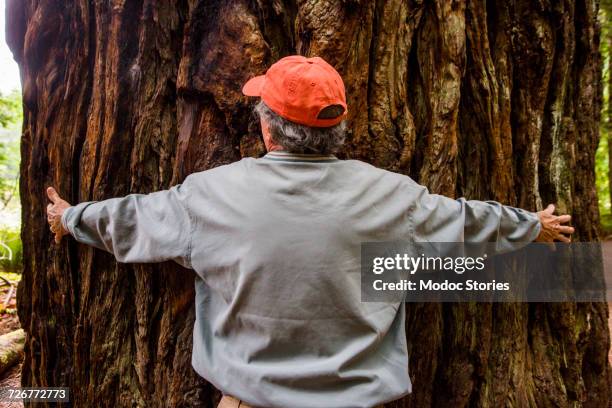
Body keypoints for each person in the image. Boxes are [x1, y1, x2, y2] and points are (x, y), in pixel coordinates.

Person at [45, 55, 573, 408]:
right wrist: (534, 225)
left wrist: (70, 218)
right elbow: (467, 222)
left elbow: (131, 217)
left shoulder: (210, 195)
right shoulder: (393, 196)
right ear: (337, 128)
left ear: (266, 124)